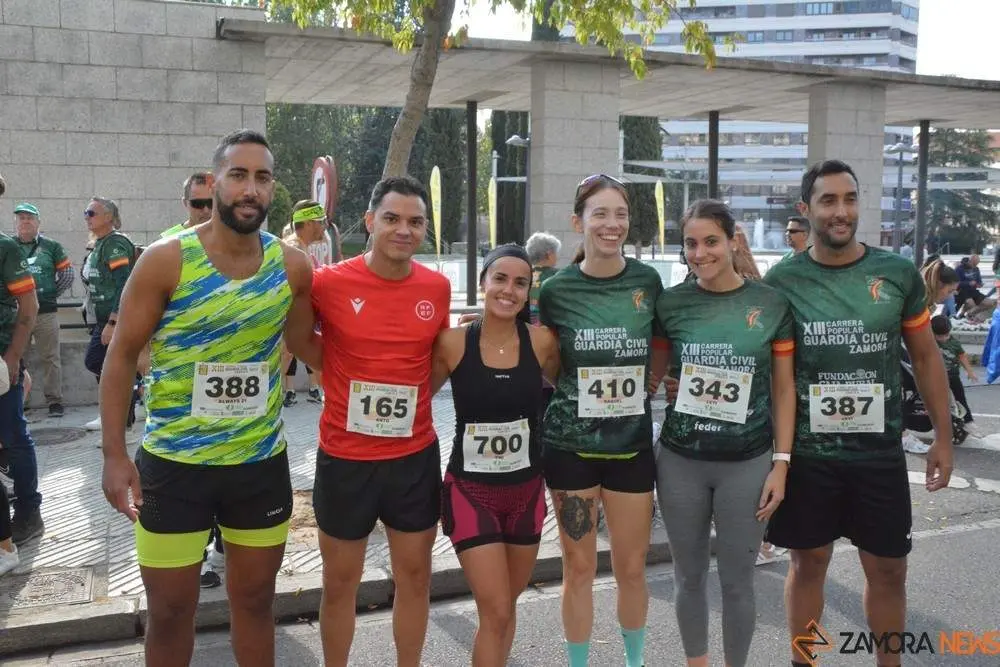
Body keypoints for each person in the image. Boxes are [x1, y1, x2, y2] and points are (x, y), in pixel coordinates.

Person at [100, 129, 315, 667]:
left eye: (262, 177)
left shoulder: (292, 267)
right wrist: (113, 455)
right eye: (238, 175)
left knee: (256, 603)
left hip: (258, 464)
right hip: (174, 466)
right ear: (214, 181)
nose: (250, 188)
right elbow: (121, 355)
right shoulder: (165, 260)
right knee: (171, 611)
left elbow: (307, 346)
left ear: (272, 189)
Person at [762, 160, 954, 667]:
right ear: (806, 210)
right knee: (809, 566)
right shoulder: (783, 280)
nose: (841, 211)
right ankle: (806, 662)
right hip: (810, 455)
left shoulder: (895, 273)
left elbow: (927, 356)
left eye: (849, 198)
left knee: (890, 571)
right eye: (828, 201)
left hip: (878, 454)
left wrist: (943, 437)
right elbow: (770, 369)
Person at [303, 176, 451, 667]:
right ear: (369, 222)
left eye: (415, 222)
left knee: (415, 578)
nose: (403, 230)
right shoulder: (329, 282)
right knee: (339, 583)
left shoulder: (437, 286)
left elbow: (434, 361)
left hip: (413, 459)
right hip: (345, 459)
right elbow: (305, 343)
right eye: (392, 218)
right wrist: (335, 382)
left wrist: (411, 408)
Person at [654, 199, 795, 667]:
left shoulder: (769, 303)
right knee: (688, 578)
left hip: (748, 463)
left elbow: (783, 388)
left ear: (733, 240)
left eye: (711, 241)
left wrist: (782, 462)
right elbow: (650, 378)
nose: (700, 253)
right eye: (691, 243)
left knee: (737, 583)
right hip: (680, 461)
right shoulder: (671, 304)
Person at [538, 174, 666, 667]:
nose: (612, 225)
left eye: (620, 214)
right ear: (579, 222)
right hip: (571, 450)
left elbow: (661, 341)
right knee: (580, 567)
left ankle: (634, 662)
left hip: (631, 449)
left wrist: (652, 385)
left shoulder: (647, 281)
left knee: (633, 568)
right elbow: (550, 360)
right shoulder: (556, 288)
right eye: (600, 214)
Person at [430, 244, 559, 667]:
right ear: (483, 282)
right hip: (470, 493)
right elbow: (414, 399)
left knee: (505, 610)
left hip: (526, 495)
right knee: (497, 609)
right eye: (500, 279)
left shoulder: (541, 343)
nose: (509, 290)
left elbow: (567, 393)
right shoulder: (452, 342)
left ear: (529, 291)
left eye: (520, 282)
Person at [82, 197, 139, 436]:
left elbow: (123, 283)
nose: (86, 217)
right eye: (86, 213)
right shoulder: (99, 243)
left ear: (108, 217)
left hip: (114, 320)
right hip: (102, 318)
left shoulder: (115, 244)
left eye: (91, 212)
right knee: (104, 365)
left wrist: (114, 322)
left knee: (98, 362)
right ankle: (120, 415)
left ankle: (126, 407)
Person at [0, 221, 42, 548]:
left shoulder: (6, 248)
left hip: (1, 360)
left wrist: (13, 356)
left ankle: (28, 510)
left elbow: (29, 305)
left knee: (13, 434)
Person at [13, 203, 74, 417]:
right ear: (16, 222)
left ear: (38, 222)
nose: (25, 221)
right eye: (21, 218)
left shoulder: (51, 246)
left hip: (46, 313)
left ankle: (54, 402)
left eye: (30, 218)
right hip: (17, 313)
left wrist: (47, 296)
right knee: (18, 357)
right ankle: (21, 401)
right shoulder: (9, 246)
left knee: (50, 357)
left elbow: (67, 276)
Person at [280, 200, 329, 407]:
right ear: (308, 223)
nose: (324, 227)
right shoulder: (294, 247)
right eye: (321, 222)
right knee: (286, 354)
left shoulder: (299, 247)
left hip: (296, 321)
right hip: (288, 320)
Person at [931, 315, 980, 436]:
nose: (943, 339)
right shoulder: (930, 342)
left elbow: (962, 356)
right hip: (935, 376)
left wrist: (970, 371)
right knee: (938, 401)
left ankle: (968, 421)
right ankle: (940, 424)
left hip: (952, 375)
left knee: (960, 397)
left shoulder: (954, 343)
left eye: (946, 335)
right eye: (939, 336)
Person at [161, 172, 215, 238]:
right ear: (185, 203)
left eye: (212, 203)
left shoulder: (229, 236)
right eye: (197, 203)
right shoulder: (168, 239)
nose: (206, 210)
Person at [955, 254, 995, 321]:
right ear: (970, 261)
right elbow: (956, 283)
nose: (975, 266)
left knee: (990, 303)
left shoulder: (976, 269)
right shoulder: (960, 268)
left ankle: (969, 314)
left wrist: (980, 284)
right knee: (971, 304)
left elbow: (979, 281)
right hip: (962, 290)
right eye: (974, 264)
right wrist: (968, 283)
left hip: (973, 291)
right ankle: (962, 314)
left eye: (976, 264)